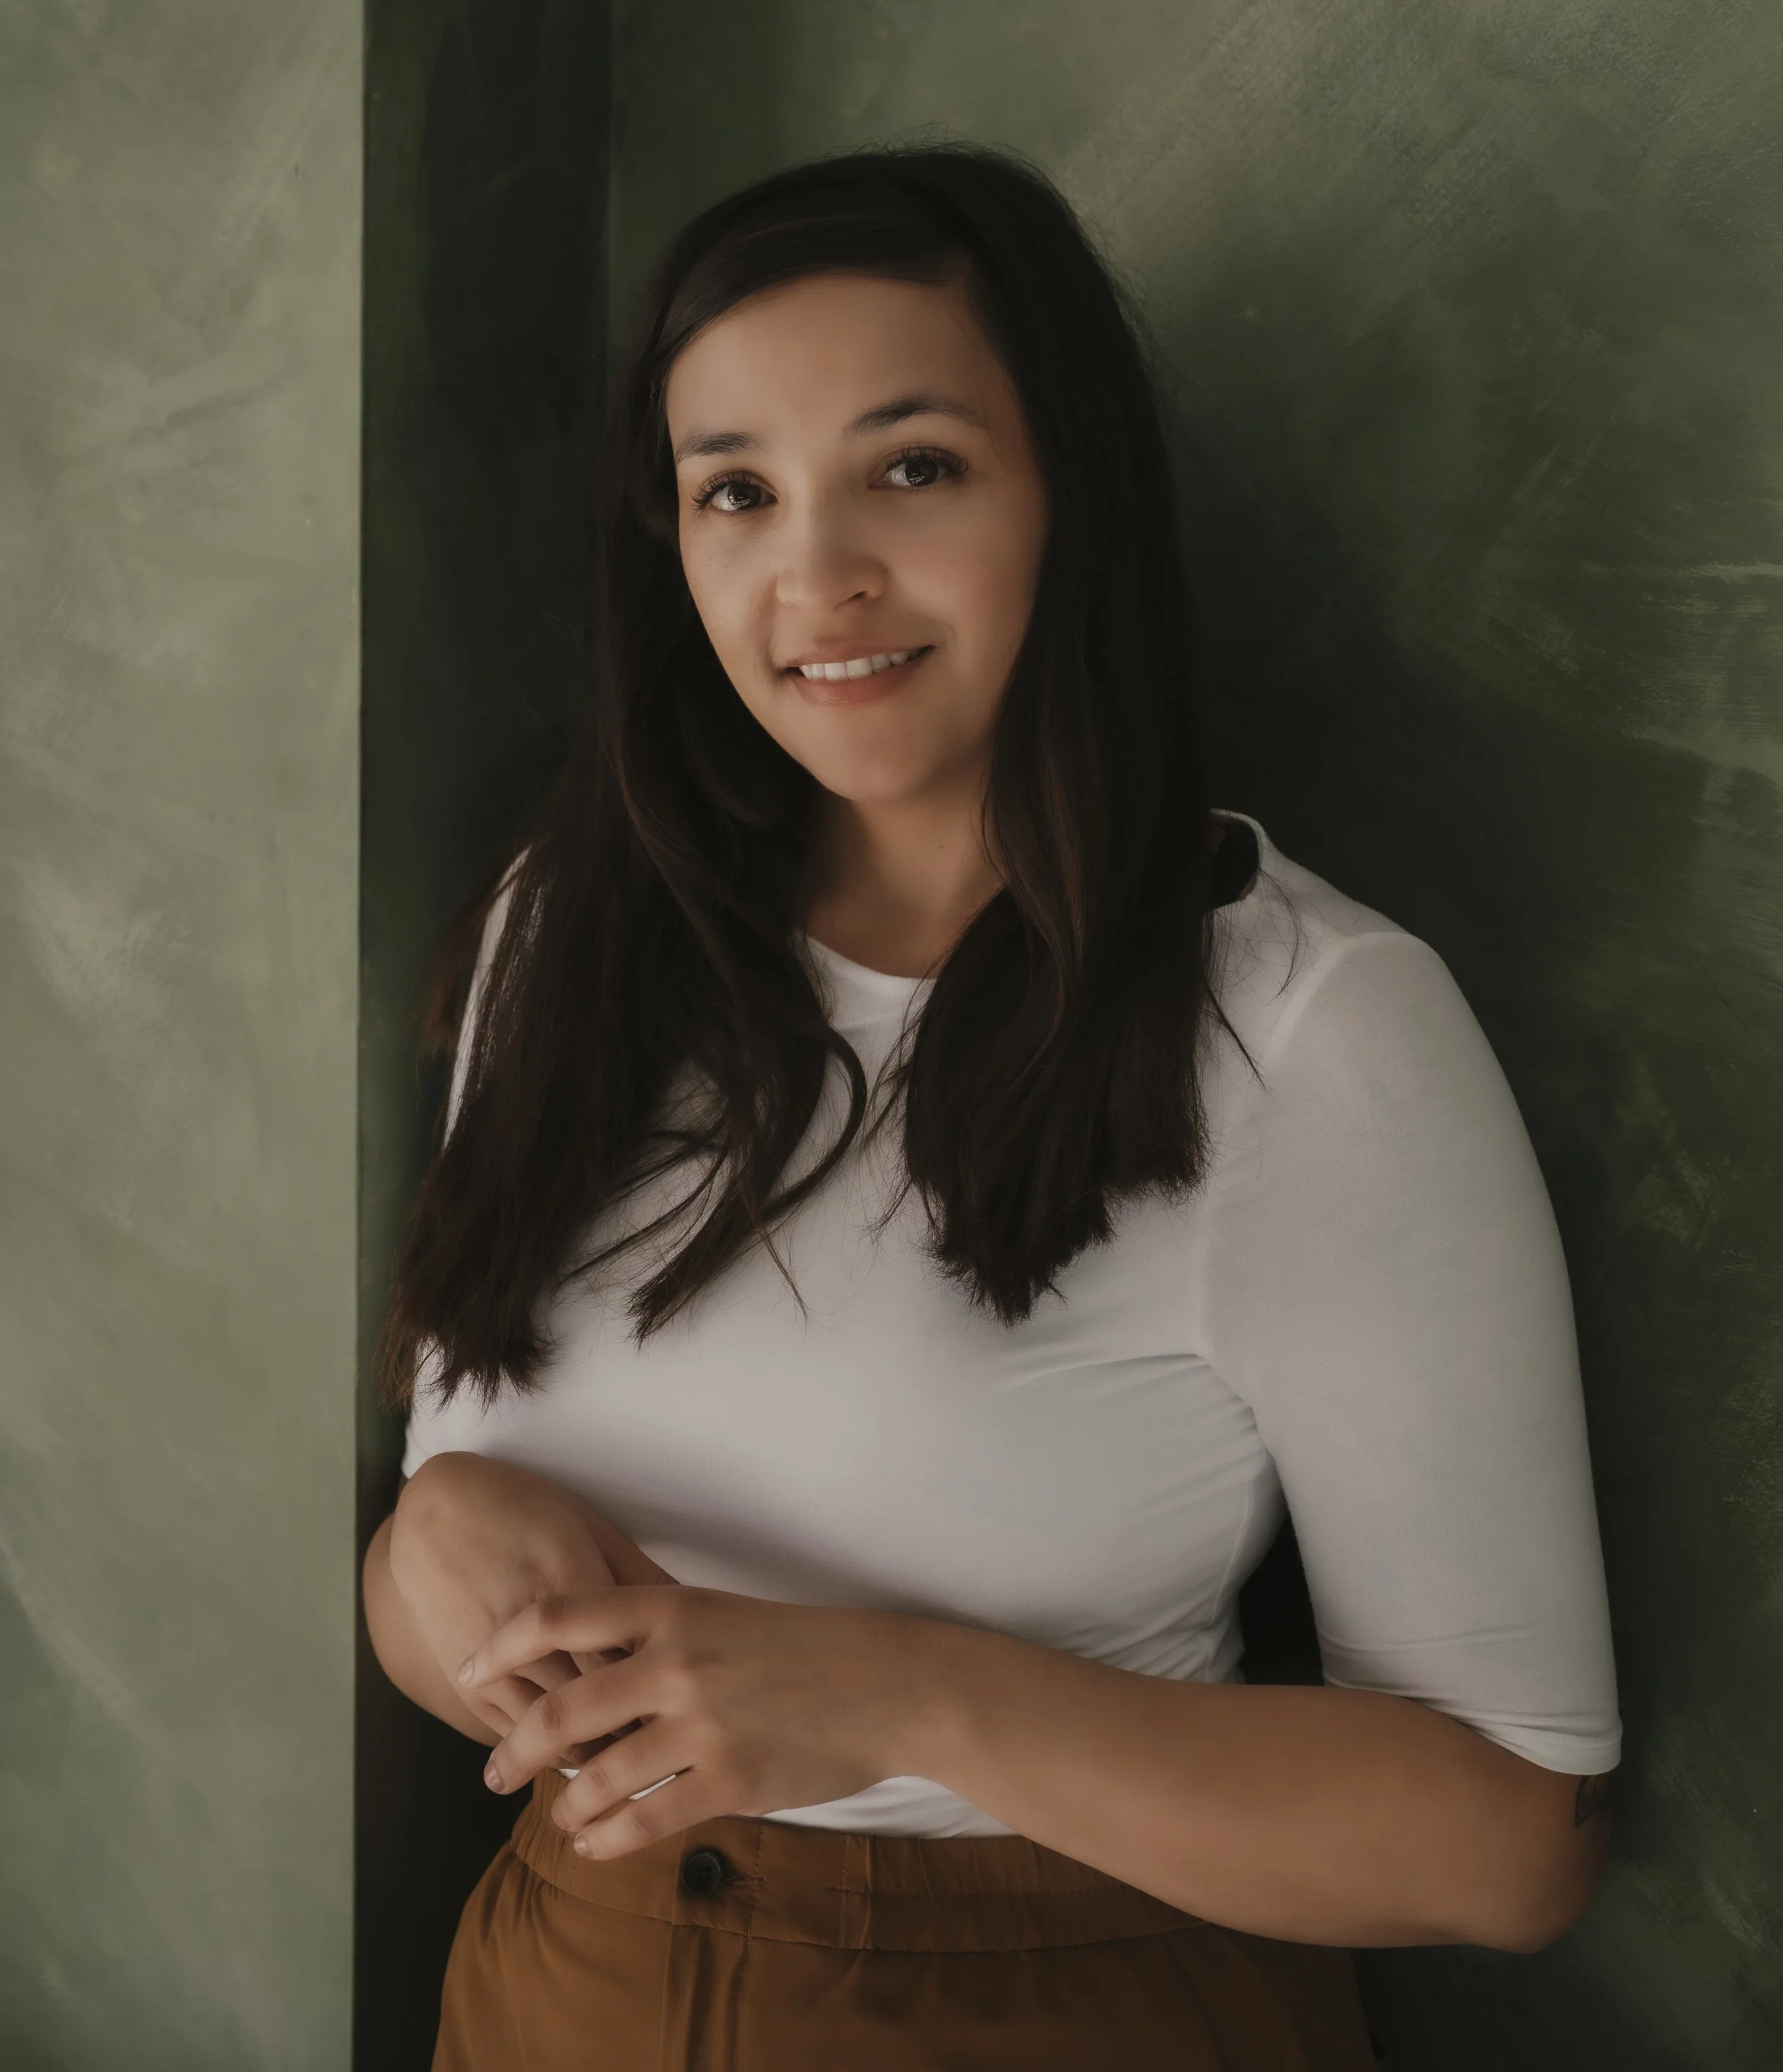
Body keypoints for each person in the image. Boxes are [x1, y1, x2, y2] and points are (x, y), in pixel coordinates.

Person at [362, 144, 1621, 2071]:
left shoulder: (1312, 1028)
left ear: (1068, 496)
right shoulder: (574, 926)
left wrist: (897, 1698)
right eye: (734, 491)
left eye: (914, 465)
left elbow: (1513, 1842)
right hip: (554, 1991)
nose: (816, 575)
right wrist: (428, 1549)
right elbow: (449, 1616)